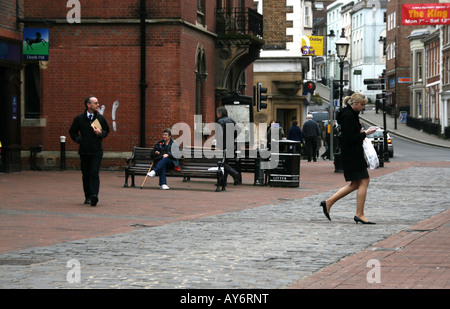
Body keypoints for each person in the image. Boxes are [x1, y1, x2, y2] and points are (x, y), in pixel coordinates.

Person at [319, 92, 378, 224]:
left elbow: (349, 135)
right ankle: (359, 214)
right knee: (364, 181)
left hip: (351, 153)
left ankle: (328, 203)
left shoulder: (349, 114)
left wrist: (360, 133)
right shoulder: (349, 116)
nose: (363, 107)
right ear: (355, 104)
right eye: (362, 105)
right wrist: (365, 133)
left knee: (356, 183)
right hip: (352, 153)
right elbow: (348, 138)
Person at [69, 95, 110, 206]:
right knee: (86, 174)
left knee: (94, 173)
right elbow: (72, 132)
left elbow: (107, 130)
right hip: (84, 151)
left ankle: (94, 196)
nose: (98, 105)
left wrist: (101, 133)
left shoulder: (100, 118)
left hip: (96, 151)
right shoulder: (79, 119)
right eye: (95, 103)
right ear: (88, 105)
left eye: (97, 103)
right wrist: (79, 139)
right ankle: (87, 196)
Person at [216, 106, 241, 185]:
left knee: (222, 163)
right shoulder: (231, 120)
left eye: (217, 113)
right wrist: (232, 138)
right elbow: (238, 130)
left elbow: (220, 134)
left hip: (223, 145)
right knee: (225, 162)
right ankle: (223, 181)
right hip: (231, 144)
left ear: (220, 113)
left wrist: (219, 144)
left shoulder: (220, 121)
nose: (216, 115)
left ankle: (233, 173)